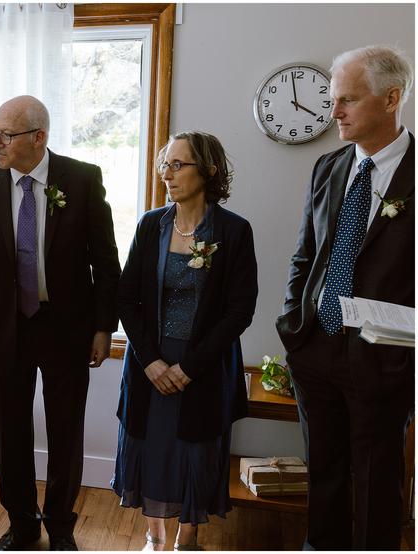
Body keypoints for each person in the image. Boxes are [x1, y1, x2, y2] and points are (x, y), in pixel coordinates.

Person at [0, 95, 121, 551]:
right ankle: (23, 526)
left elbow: (106, 261)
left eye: (6, 135)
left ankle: (61, 528)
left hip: (68, 326)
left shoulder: (83, 178)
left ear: (39, 138)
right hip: (5, 328)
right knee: (11, 430)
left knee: (66, 428)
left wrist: (102, 327)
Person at [276, 45, 414, 551]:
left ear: (391, 98)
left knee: (376, 483)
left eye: (347, 101)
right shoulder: (329, 167)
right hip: (314, 349)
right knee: (324, 474)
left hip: (387, 361)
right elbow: (303, 255)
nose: (332, 113)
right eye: (334, 100)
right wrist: (293, 324)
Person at [112, 131, 258, 550]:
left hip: (203, 367)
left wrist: (189, 367)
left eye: (179, 165)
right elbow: (127, 297)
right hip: (150, 363)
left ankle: (186, 539)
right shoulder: (150, 224)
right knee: (151, 446)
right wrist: (152, 362)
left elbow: (239, 311)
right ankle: (154, 537)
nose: (168, 175)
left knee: (193, 452)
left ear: (208, 171)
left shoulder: (233, 231)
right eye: (165, 165)